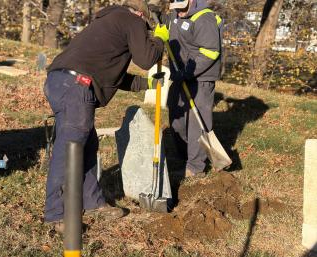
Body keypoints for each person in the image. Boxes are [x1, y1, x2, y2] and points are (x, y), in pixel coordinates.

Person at [43, 0, 169, 233]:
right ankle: (56, 214)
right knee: (69, 149)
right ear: (141, 12)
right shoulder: (132, 20)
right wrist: (160, 39)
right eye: (147, 23)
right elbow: (146, 58)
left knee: (87, 145)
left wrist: (148, 83)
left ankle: (93, 203)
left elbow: (111, 73)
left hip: (62, 82)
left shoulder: (111, 20)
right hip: (76, 85)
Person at [154, 0, 223, 177]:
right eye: (175, 8)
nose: (179, 12)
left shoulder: (204, 19)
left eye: (182, 8)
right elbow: (164, 22)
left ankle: (196, 166)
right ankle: (183, 156)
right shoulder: (175, 14)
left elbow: (210, 52)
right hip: (180, 73)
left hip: (200, 77)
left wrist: (186, 73)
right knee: (175, 115)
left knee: (196, 121)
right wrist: (159, 23)